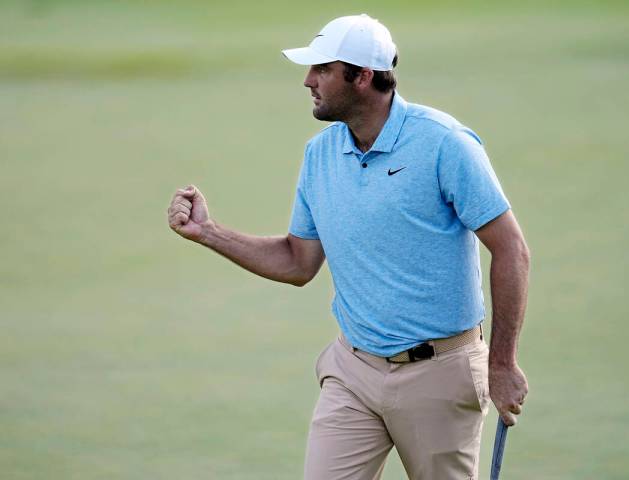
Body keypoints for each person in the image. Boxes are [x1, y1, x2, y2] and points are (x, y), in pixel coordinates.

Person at [167, 13, 530, 480]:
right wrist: (209, 232)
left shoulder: (445, 144)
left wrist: (502, 364)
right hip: (353, 371)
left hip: (440, 374)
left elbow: (511, 250)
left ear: (362, 77)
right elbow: (299, 262)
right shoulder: (320, 155)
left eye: (322, 70)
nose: (307, 80)